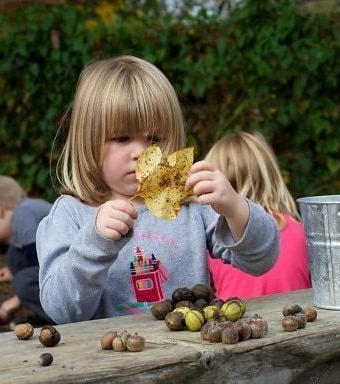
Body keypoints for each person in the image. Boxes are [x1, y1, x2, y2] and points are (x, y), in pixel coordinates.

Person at [36, 55, 279, 324]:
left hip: (194, 357)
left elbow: (262, 261)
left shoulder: (191, 205)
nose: (141, 152)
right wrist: (95, 242)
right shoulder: (71, 215)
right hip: (114, 360)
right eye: (121, 138)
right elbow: (62, 311)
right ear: (88, 142)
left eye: (154, 138)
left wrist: (236, 209)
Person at [204, 131, 311, 299]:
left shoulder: (214, 240)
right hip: (297, 321)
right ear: (271, 176)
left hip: (235, 323)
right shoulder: (305, 234)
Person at [0, 175, 53, 324]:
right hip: (58, 268)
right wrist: (12, 272)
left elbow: (40, 267)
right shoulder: (25, 211)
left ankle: (56, 318)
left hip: (72, 275)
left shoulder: (24, 214)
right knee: (14, 255)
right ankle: (47, 313)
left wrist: (17, 299)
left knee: (23, 283)